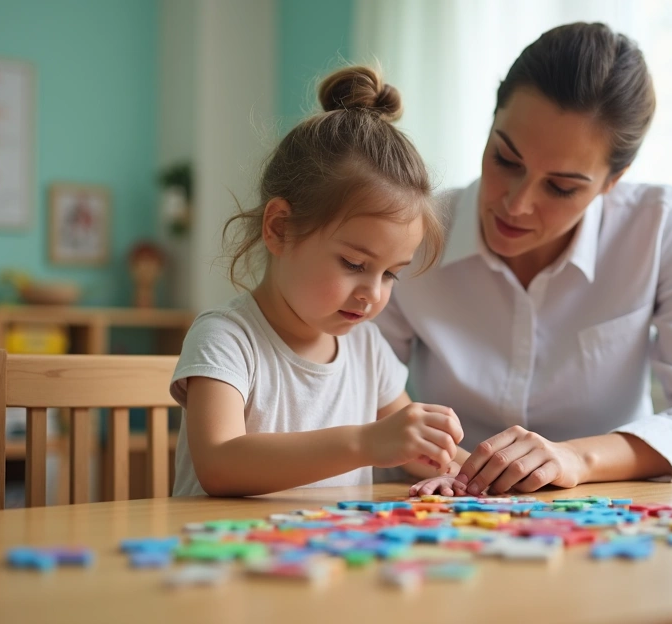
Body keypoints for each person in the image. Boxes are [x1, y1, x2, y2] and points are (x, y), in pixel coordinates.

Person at [374, 23, 672, 497]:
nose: (516, 203)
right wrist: (452, 467)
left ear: (611, 183)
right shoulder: (412, 231)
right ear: (491, 124)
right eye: (505, 159)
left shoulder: (658, 225)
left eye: (561, 187)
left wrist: (575, 457)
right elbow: (351, 396)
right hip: (436, 507)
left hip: (606, 514)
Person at [168, 66, 464, 497]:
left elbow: (422, 453)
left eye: (391, 274)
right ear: (280, 228)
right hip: (225, 557)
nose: (373, 294)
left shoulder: (368, 349)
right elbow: (219, 463)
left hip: (326, 558)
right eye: (353, 263)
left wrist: (476, 467)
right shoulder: (226, 338)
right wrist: (366, 441)